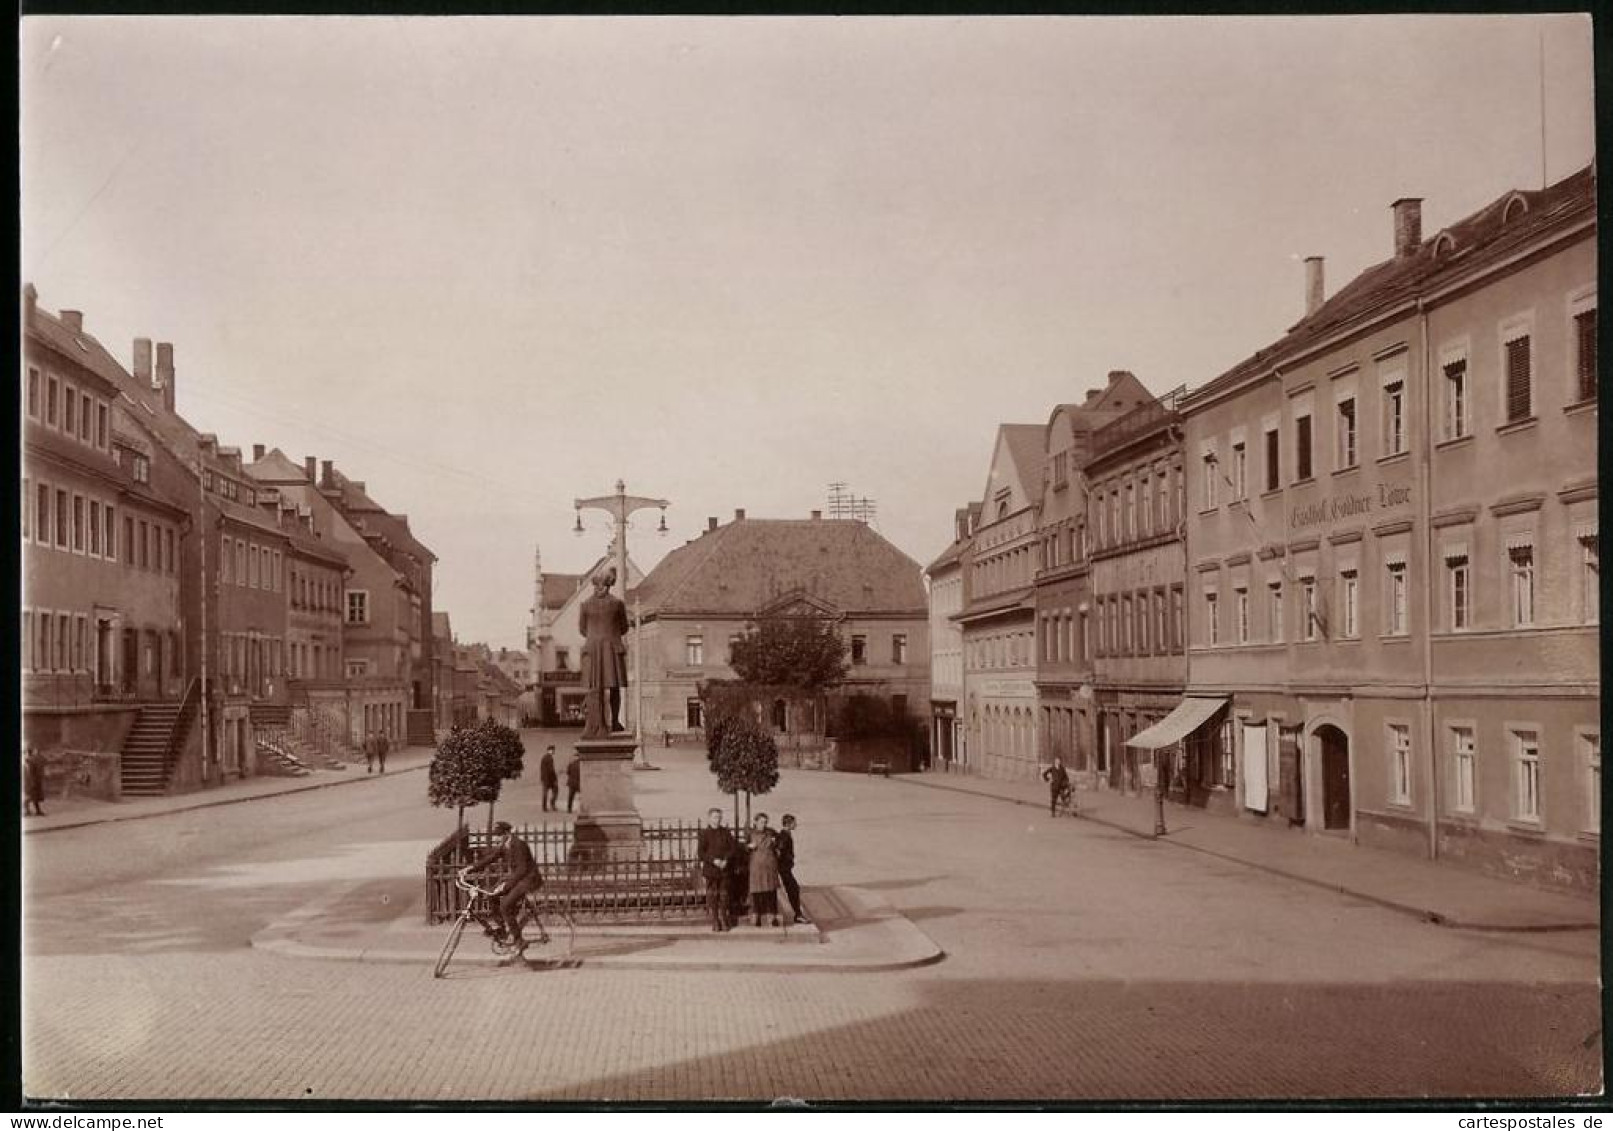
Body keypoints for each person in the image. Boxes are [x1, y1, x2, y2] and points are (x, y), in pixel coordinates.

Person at [460, 820, 543, 951]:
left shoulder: (519, 845)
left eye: (499, 835)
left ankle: (519, 941)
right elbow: (491, 858)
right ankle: (502, 929)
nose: (497, 838)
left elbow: (522, 869)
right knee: (491, 895)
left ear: (507, 833)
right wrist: (470, 869)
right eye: (496, 835)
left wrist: (506, 886)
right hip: (518, 878)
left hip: (529, 879)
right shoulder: (505, 844)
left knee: (505, 906)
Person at [578, 566, 630, 737]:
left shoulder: (585, 605)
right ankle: (614, 722)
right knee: (614, 688)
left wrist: (595, 637)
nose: (603, 587)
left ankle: (596, 723)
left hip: (592, 649)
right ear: (609, 585)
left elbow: (582, 630)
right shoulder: (617, 604)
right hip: (612, 648)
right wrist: (610, 634)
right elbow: (624, 627)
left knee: (595, 687)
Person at [696, 807, 735, 932]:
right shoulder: (704, 833)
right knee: (712, 895)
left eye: (719, 817)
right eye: (715, 817)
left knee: (724, 894)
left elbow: (732, 848)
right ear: (709, 818)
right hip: (711, 869)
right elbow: (701, 853)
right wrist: (714, 860)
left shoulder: (725, 832)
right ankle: (715, 920)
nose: (717, 820)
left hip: (724, 869)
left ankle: (724, 918)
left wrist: (726, 860)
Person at [747, 813, 781, 927]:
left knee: (771, 891)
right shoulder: (750, 833)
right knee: (756, 891)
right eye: (761, 822)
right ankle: (756, 915)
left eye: (765, 822)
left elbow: (781, 843)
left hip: (769, 865)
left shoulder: (771, 832)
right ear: (755, 822)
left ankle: (772, 916)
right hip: (756, 865)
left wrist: (776, 842)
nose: (764, 824)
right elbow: (742, 848)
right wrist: (748, 846)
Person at [776, 813, 807, 923]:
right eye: (794, 822)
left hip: (784, 867)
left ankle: (798, 913)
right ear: (789, 824)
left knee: (793, 889)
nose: (796, 824)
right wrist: (788, 860)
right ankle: (798, 914)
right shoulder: (784, 836)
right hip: (784, 868)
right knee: (793, 889)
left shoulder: (785, 834)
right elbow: (780, 851)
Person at [23, 747, 46, 817]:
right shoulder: (29, 761)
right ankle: (27, 810)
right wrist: (33, 782)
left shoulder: (30, 761)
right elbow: (31, 773)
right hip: (30, 782)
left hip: (33, 781)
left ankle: (36, 810)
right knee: (30, 796)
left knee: (34, 796)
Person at [539, 746, 559, 812]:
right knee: (555, 791)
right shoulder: (550, 758)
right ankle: (552, 804)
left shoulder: (544, 757)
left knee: (545, 793)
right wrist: (555, 779)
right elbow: (551, 770)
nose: (554, 751)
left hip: (544, 779)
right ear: (550, 750)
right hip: (550, 779)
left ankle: (544, 807)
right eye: (553, 750)